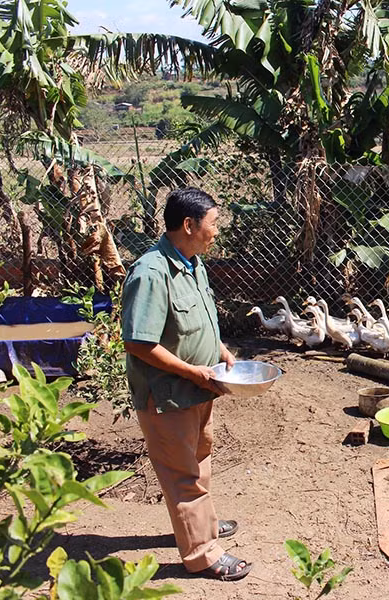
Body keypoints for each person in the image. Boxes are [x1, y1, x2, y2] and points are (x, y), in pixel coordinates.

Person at [121, 187, 251, 581]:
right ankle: (201, 554)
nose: (217, 232)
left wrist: (223, 354)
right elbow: (139, 343)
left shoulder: (193, 264)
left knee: (199, 458)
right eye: (213, 224)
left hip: (199, 387)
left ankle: (201, 525)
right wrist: (195, 373)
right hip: (168, 395)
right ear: (189, 225)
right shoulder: (151, 272)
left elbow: (202, 325)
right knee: (183, 473)